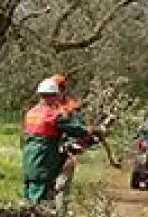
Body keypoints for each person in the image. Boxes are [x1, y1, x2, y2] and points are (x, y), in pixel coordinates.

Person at [22, 78, 97, 207]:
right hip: (44, 158)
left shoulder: (31, 113)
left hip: (29, 158)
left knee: (30, 191)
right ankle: (40, 216)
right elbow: (74, 129)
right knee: (41, 196)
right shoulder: (52, 115)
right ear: (53, 96)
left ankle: (27, 214)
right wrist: (89, 135)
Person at [49, 73, 83, 214]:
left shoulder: (70, 107)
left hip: (66, 153)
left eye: (57, 88)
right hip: (48, 153)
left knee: (62, 186)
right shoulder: (47, 105)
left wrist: (74, 145)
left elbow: (78, 130)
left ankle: (60, 216)